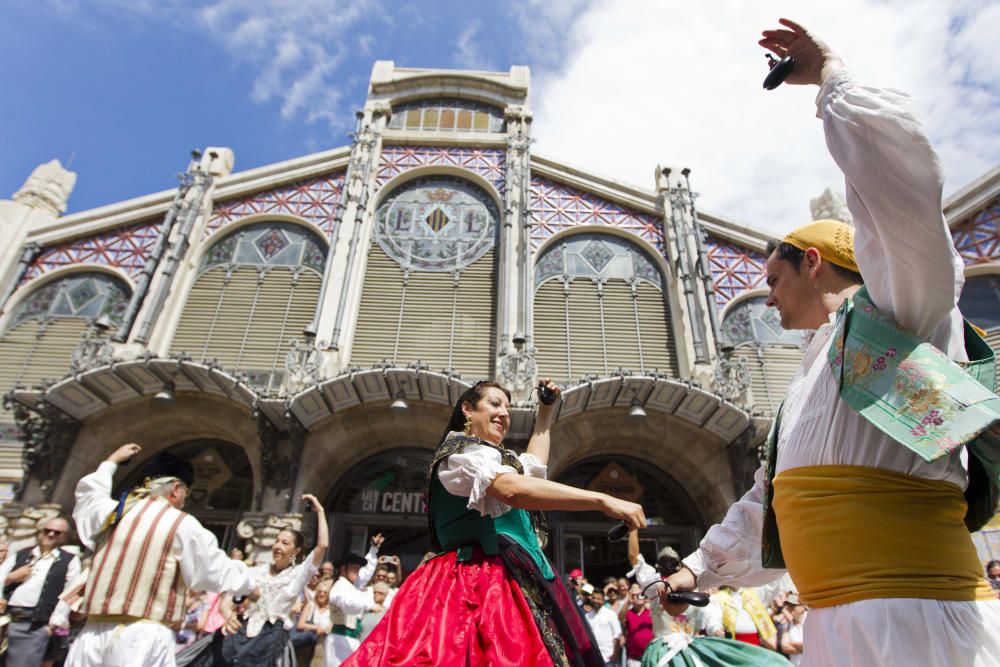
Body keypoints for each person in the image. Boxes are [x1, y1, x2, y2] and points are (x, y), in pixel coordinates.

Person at [662, 18, 1000, 666]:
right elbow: (775, 499)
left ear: (813, 262)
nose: (765, 296)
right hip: (836, 633)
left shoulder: (902, 311)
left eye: (773, 276)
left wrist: (834, 83)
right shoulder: (812, 374)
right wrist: (698, 569)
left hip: (918, 624)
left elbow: (899, 201)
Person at [344, 379, 647, 666]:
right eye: (495, 404)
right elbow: (511, 490)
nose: (504, 413)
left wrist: (545, 412)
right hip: (473, 582)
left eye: (508, 409)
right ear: (467, 409)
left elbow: (534, 465)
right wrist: (602, 500)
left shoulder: (497, 460)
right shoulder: (460, 456)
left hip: (513, 576)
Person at [66, 444, 258, 667]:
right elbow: (212, 570)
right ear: (176, 488)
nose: (185, 500)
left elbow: (90, 495)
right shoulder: (181, 524)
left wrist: (111, 462)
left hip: (91, 635)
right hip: (143, 636)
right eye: (186, 493)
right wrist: (249, 584)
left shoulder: (113, 514)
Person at [627, 531, 784, 666]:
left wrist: (716, 629)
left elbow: (710, 616)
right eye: (665, 561)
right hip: (661, 649)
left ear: (679, 565)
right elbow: (635, 559)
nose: (669, 564)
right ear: (659, 566)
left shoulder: (694, 588)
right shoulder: (657, 585)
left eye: (672, 561)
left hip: (690, 649)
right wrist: (632, 528)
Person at [220, 493, 329, 667]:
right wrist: (228, 615)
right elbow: (228, 597)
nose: (278, 546)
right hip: (243, 636)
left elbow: (322, 546)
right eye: (277, 541)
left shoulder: (297, 575)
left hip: (271, 641)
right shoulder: (256, 571)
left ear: (296, 551)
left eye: (285, 543)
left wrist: (320, 511)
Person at [0, 516, 81, 667]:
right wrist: (11, 577)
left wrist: (52, 626)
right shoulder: (21, 554)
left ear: (65, 537)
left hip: (35, 625)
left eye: (57, 532)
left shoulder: (68, 560)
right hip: (7, 621)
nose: (50, 534)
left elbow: (69, 593)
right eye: (47, 530)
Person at [325, 554, 376, 666]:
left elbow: (366, 573)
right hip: (339, 638)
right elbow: (347, 604)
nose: (357, 572)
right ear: (344, 569)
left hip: (352, 639)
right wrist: (370, 605)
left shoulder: (351, 587)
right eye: (354, 568)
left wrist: (373, 550)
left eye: (358, 569)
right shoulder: (339, 587)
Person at [583, 590, 623, 666]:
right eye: (594, 598)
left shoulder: (610, 614)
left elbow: (617, 635)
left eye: (598, 599)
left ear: (603, 600)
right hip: (594, 658)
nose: (595, 601)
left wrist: (615, 654)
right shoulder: (587, 616)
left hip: (609, 657)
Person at [621, 584, 652, 667]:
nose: (639, 597)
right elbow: (620, 617)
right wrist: (628, 601)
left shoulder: (651, 612)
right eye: (636, 595)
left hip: (650, 657)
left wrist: (648, 600)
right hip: (634, 660)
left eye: (641, 595)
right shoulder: (628, 613)